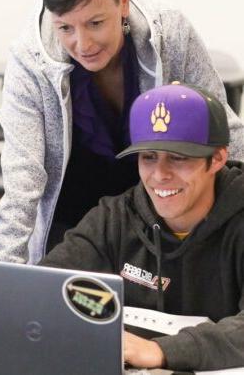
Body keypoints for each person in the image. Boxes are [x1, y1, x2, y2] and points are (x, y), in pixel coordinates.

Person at [0, 0, 244, 264]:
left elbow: (223, 131)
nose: (83, 44)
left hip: (158, 207)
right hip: (72, 219)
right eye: (65, 28)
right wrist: (3, 277)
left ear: (122, 1)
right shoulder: (29, 58)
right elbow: (23, 176)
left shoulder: (170, 32)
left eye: (95, 23)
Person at [39, 83, 244, 371]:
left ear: (218, 159)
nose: (160, 175)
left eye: (178, 157)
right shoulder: (114, 217)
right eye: (149, 157)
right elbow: (43, 285)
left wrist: (159, 350)